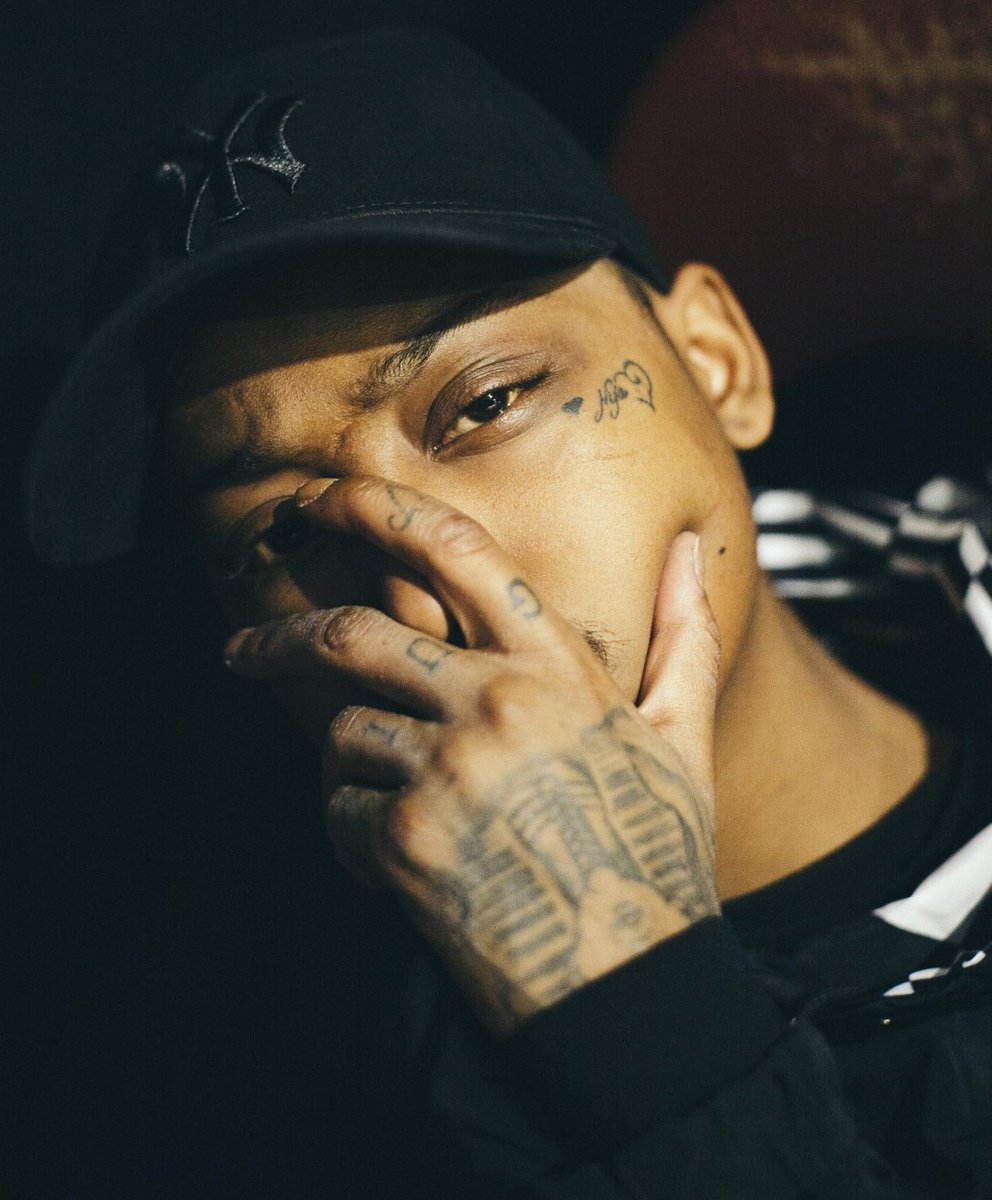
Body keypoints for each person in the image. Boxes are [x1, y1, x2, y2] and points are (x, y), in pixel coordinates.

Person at [26, 27, 992, 1198]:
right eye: (282, 532)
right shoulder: (257, 1045)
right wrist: (643, 1027)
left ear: (718, 362)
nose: (418, 589)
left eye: (484, 403)